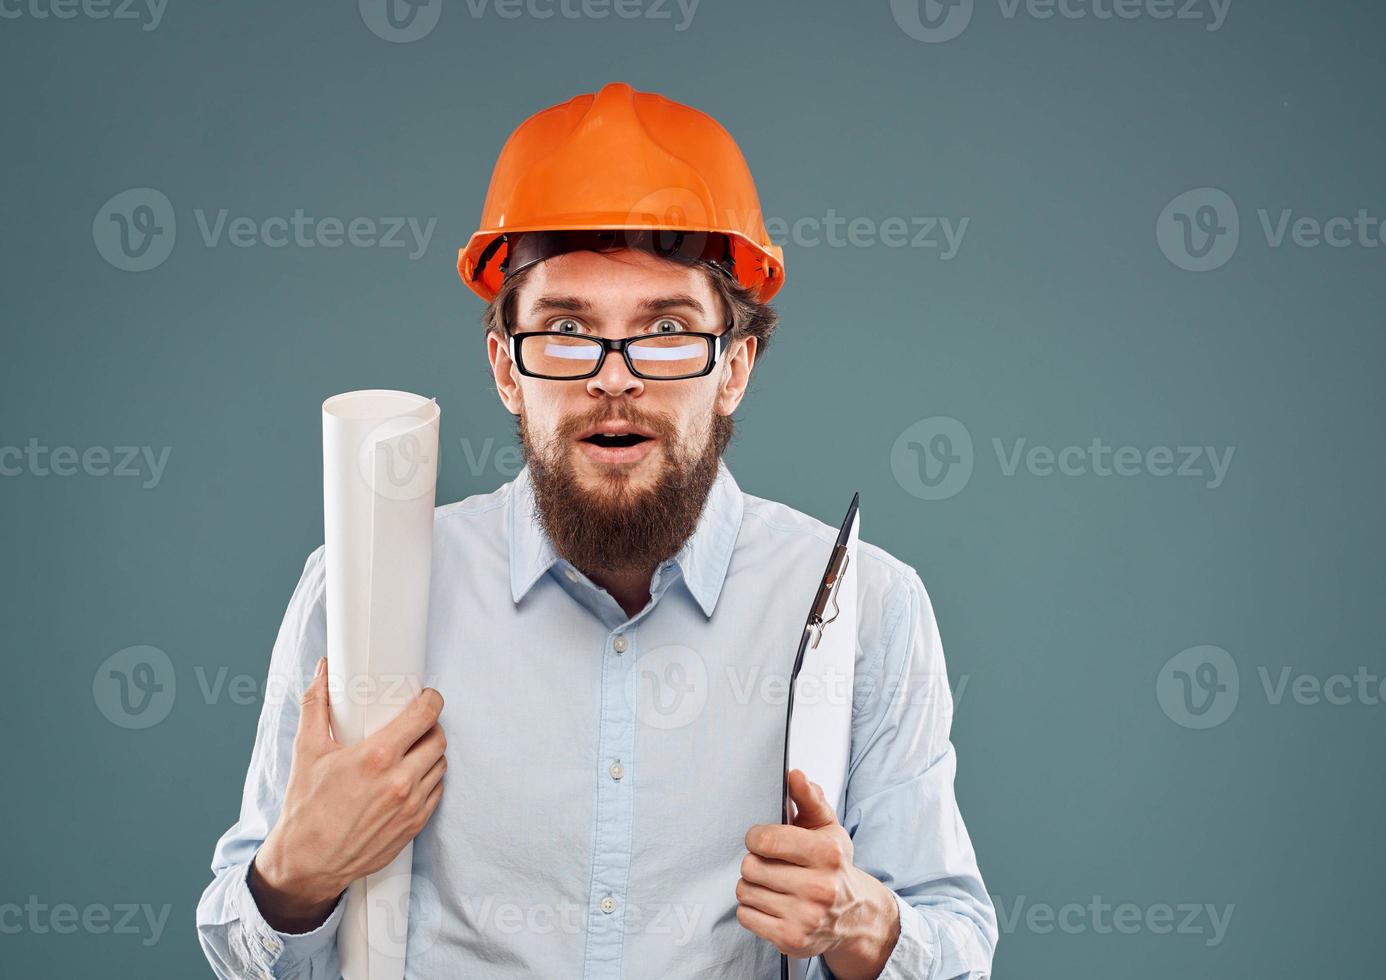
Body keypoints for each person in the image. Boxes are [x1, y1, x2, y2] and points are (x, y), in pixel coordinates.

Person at [196, 81, 997, 979]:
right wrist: (296, 875)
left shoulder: (869, 608)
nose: (614, 379)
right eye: (567, 329)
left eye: (665, 331)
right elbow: (244, 947)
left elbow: (955, 937)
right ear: (507, 368)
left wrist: (864, 925)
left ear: (734, 367)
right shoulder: (369, 587)